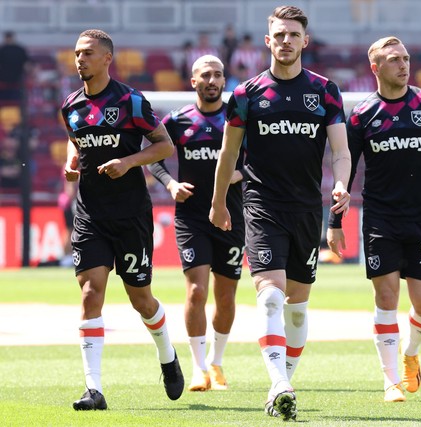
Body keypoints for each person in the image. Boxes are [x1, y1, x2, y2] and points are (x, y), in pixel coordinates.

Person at [210, 5, 351, 421]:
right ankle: (279, 382)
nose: (286, 40)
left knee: (297, 306)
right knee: (270, 295)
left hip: (307, 210)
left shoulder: (326, 91)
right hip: (261, 207)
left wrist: (342, 183)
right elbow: (228, 153)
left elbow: (341, 152)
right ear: (267, 41)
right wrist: (218, 202)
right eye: (279, 34)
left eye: (294, 34)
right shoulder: (245, 94)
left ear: (304, 41)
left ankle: (282, 384)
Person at [329, 36, 421, 403]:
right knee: (386, 296)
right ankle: (390, 379)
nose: (403, 65)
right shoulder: (361, 114)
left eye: (405, 58)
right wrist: (334, 222)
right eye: (394, 59)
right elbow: (346, 168)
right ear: (375, 67)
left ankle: (410, 354)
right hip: (380, 220)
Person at [60, 29, 184, 411]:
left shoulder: (130, 101)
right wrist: (71, 160)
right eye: (77, 53)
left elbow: (164, 144)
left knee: (141, 299)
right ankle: (93, 389)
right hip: (91, 215)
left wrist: (128, 162)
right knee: (90, 292)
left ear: (107, 59)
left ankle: (167, 355)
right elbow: (75, 137)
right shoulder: (70, 105)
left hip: (130, 214)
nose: (80, 59)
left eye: (88, 53)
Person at [148, 54, 245, 392]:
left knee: (226, 295)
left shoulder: (236, 120)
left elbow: (261, 158)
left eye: (218, 75)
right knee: (196, 290)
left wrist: (242, 172)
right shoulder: (177, 121)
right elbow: (153, 156)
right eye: (206, 75)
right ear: (194, 81)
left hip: (231, 217)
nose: (212, 81)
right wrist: (170, 184)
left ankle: (217, 362)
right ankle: (199, 367)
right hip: (191, 217)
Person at [0, 31, 30, 103]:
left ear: (5, 38)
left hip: (4, 81)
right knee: (16, 102)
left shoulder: (1, 50)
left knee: (4, 103)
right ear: (13, 38)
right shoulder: (20, 49)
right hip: (17, 81)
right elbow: (27, 65)